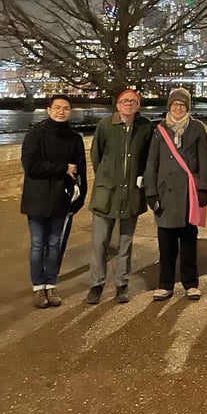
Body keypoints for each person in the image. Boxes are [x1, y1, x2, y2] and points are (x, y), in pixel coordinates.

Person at [145, 88, 207, 301]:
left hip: (189, 194)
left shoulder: (197, 128)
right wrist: (151, 192)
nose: (178, 108)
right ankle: (165, 283)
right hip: (165, 193)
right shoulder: (159, 130)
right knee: (165, 243)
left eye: (182, 105)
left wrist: (204, 188)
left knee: (188, 241)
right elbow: (151, 163)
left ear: (187, 107)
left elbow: (205, 160)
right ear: (169, 106)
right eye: (175, 104)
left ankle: (191, 283)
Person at [85, 89, 154, 305]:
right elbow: (96, 155)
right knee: (100, 243)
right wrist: (106, 178)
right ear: (117, 105)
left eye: (133, 102)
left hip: (131, 192)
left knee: (126, 242)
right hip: (106, 193)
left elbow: (148, 156)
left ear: (138, 105)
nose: (128, 105)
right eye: (124, 101)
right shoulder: (105, 126)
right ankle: (97, 284)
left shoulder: (145, 127)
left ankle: (121, 284)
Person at [20, 95, 87, 309]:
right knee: (38, 244)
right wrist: (63, 168)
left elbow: (81, 171)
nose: (61, 111)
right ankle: (38, 287)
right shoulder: (35, 134)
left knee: (54, 243)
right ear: (49, 110)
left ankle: (51, 283)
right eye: (57, 107)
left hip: (61, 198)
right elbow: (31, 166)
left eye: (65, 108)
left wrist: (79, 199)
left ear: (70, 111)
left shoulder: (74, 138)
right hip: (37, 198)